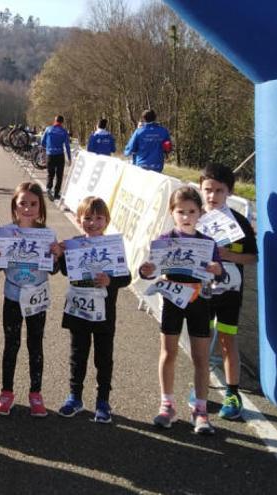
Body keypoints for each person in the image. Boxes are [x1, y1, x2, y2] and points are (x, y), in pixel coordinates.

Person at [139, 186, 223, 435]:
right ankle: (167, 404)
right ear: (172, 213)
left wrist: (218, 270)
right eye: (180, 212)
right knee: (168, 352)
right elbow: (152, 269)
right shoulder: (165, 240)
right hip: (173, 301)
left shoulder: (207, 243)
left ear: (200, 213)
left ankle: (201, 409)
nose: (186, 217)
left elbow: (220, 272)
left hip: (199, 301)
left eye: (192, 211)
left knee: (201, 357)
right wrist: (146, 270)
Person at [57, 196, 131, 423]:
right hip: (79, 309)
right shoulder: (74, 244)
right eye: (87, 218)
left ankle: (103, 401)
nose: (93, 222)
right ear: (79, 219)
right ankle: (75, 397)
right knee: (77, 355)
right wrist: (61, 255)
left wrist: (110, 280)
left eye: (99, 218)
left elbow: (126, 277)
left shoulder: (113, 246)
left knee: (104, 358)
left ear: (107, 220)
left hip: (104, 314)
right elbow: (65, 271)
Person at [0, 182, 62, 418]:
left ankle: (36, 393)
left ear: (40, 207)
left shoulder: (48, 234)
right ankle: (6, 392)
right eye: (23, 203)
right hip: (12, 295)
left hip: (37, 296)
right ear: (14, 205)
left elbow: (53, 270)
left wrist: (56, 257)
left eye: (33, 204)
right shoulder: (4, 232)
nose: (28, 208)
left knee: (35, 344)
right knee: (11, 344)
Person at [199, 164, 257, 421]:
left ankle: (233, 393)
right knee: (201, 342)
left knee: (227, 342)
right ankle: (201, 391)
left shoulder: (239, 221)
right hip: (201, 293)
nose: (212, 196)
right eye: (208, 190)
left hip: (230, 294)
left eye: (219, 191)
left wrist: (228, 255)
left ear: (229, 192)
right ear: (200, 190)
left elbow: (252, 258)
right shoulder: (194, 218)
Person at [41, 115, 72, 201]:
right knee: (59, 175)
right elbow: (67, 146)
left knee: (50, 173)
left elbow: (42, 142)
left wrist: (48, 147)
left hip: (50, 154)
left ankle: (48, 188)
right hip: (59, 155)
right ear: (62, 122)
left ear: (54, 121)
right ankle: (56, 193)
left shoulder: (48, 129)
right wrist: (69, 158)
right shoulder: (64, 131)